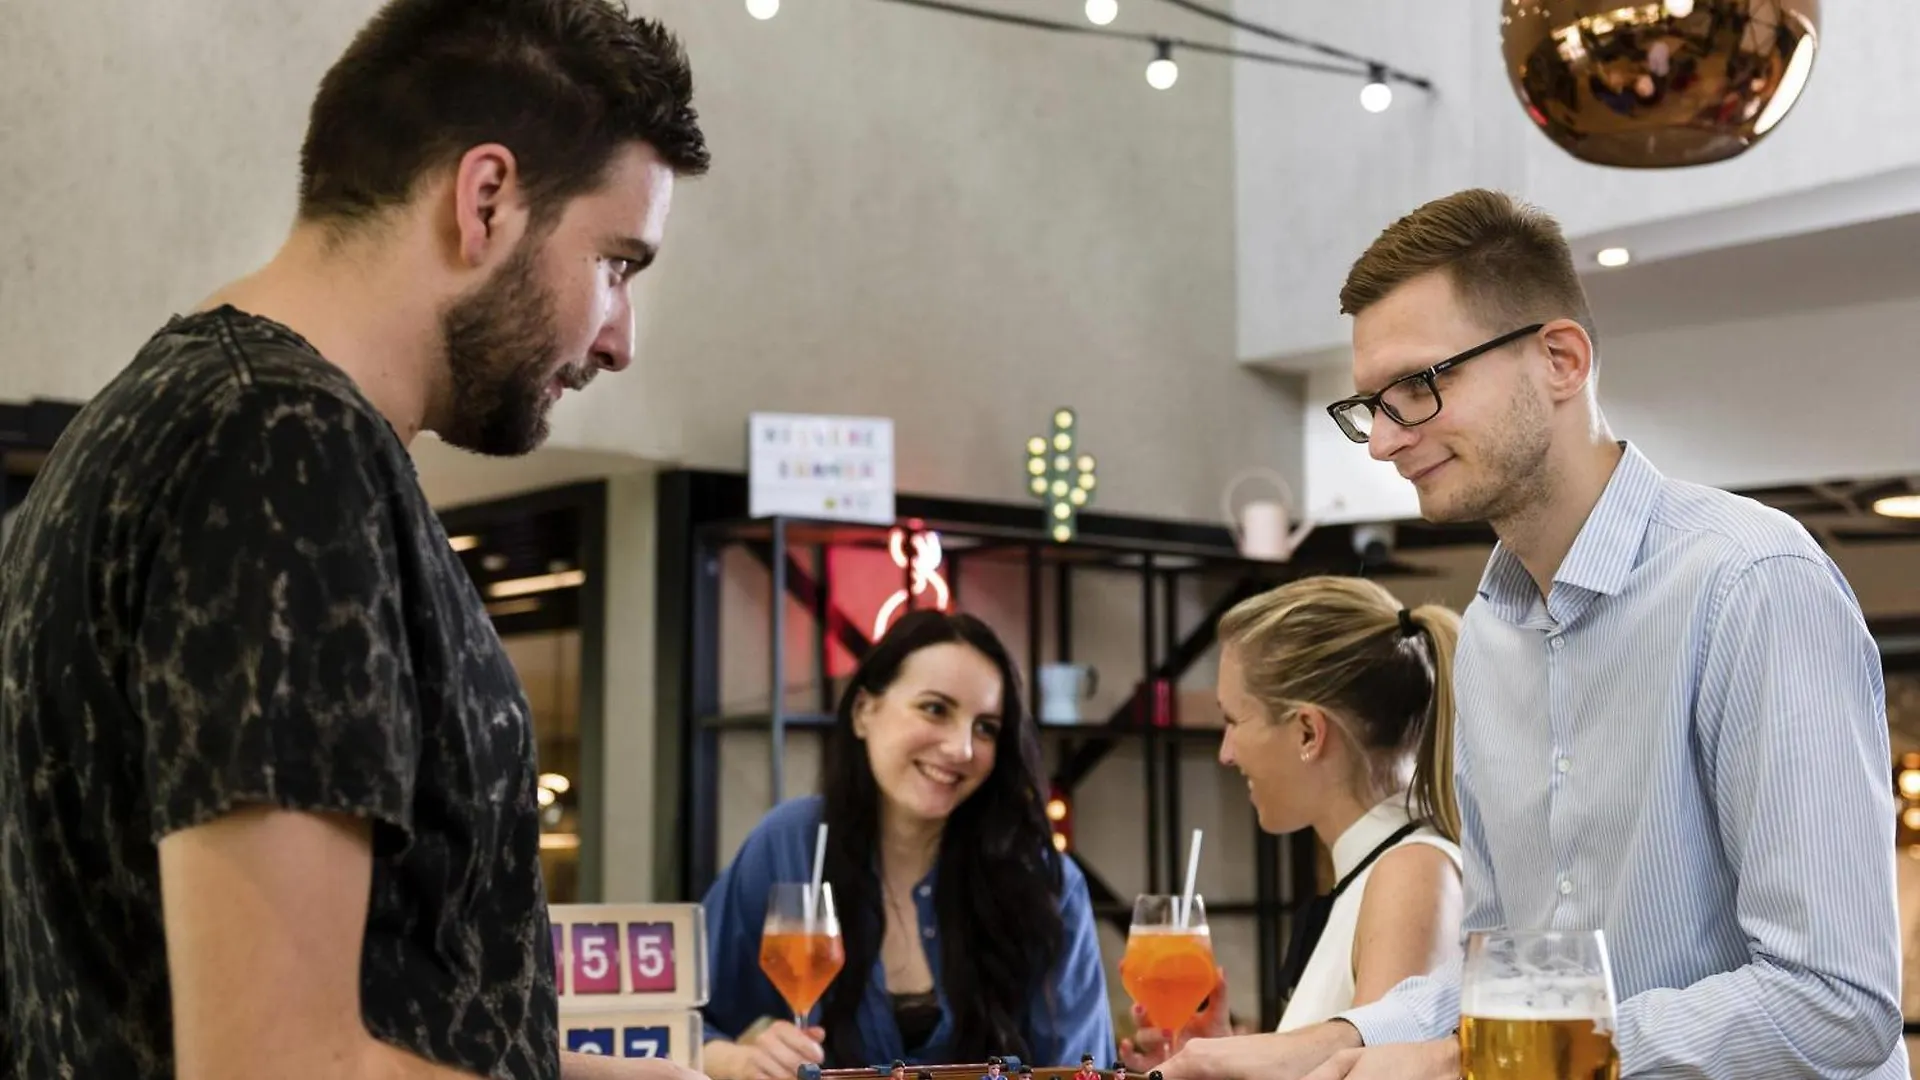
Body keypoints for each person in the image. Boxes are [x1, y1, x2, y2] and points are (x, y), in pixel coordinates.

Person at [0, 2, 709, 1079]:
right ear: (486, 200)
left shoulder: (172, 416)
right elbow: (280, 1063)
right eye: (616, 263)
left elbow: (390, 1008)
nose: (620, 340)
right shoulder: (282, 445)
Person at [1164, 189, 1908, 1080]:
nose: (1383, 444)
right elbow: (1503, 978)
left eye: (1420, 387)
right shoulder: (1490, 638)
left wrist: (1483, 1061)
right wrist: (1312, 1047)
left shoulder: (1751, 583)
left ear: (1561, 360)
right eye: (1371, 406)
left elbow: (1835, 1002)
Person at [700, 611, 1114, 1078]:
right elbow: (676, 1023)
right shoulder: (790, 844)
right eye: (935, 709)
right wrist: (739, 1062)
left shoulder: (1045, 880)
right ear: (864, 711)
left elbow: (1085, 1070)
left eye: (986, 728)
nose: (961, 748)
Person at [1120, 578, 1464, 1069]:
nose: (1226, 753)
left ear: (1308, 731)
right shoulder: (1378, 870)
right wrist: (1227, 1061)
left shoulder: (1411, 874)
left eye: (1233, 721)